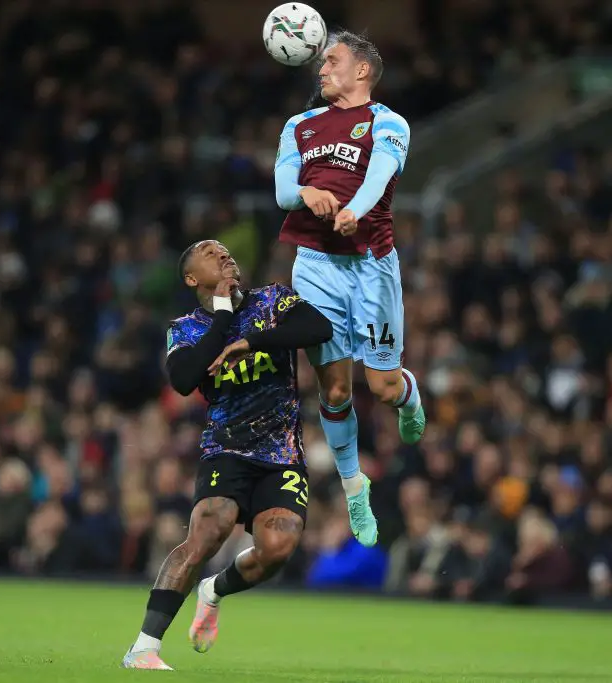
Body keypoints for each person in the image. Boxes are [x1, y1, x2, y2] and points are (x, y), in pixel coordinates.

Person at [122, 240, 333, 670]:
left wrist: (251, 341)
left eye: (226, 250)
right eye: (209, 252)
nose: (224, 254)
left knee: (278, 548)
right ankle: (143, 647)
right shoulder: (186, 328)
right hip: (226, 451)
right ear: (191, 278)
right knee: (206, 533)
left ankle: (214, 590)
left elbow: (318, 328)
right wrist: (222, 316)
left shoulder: (272, 300)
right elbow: (183, 379)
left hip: (282, 455)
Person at [273, 30, 425, 548]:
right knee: (334, 389)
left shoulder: (388, 122)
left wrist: (354, 209)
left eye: (331, 61)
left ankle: (408, 395)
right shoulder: (299, 125)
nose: (321, 70)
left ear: (362, 70)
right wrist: (307, 191)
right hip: (315, 266)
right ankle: (353, 486)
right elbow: (281, 191)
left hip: (372, 265)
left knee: (380, 388)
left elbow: (381, 173)